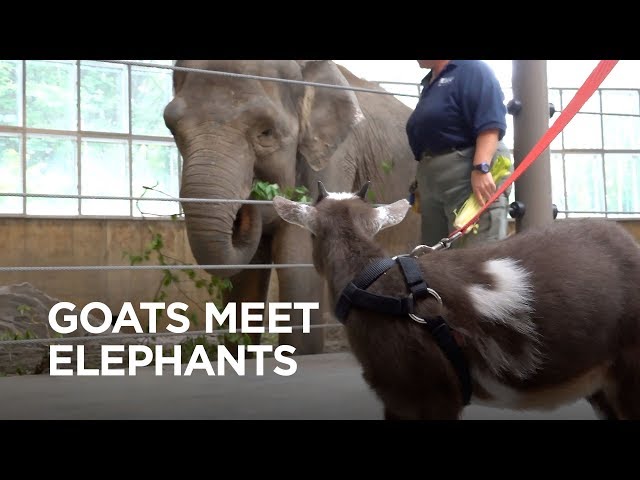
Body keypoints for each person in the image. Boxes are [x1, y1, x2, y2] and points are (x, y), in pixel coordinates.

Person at [405, 60, 514, 249]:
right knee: (436, 261)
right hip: (435, 183)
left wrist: (481, 167)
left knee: (475, 258)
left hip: (469, 174)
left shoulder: (472, 69)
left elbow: (490, 122)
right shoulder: (431, 82)